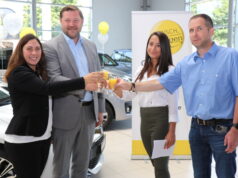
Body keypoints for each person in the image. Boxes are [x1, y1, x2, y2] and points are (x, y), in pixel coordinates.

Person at [116, 14, 238, 178]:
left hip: (222, 130)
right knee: (200, 174)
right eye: (191, 30)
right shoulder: (186, 64)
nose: (194, 34)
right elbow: (159, 83)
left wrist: (235, 128)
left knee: (225, 174)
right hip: (196, 129)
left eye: (199, 29)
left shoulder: (230, 56)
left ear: (211, 31)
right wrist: (129, 85)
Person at [3, 34, 103, 178]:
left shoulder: (37, 73)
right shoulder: (20, 73)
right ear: (20, 51)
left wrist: (49, 132)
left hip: (40, 137)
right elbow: (48, 88)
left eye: (38, 49)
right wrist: (83, 81)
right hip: (23, 140)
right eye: (29, 49)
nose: (34, 53)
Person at [43, 5, 105, 178]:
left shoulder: (91, 46)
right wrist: (84, 84)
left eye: (75, 20)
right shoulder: (51, 46)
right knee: (61, 165)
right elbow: (54, 79)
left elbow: (99, 80)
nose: (72, 24)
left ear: (82, 22)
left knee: (82, 164)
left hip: (89, 113)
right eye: (67, 20)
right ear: (60, 22)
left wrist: (101, 108)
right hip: (64, 113)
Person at [114, 31, 179, 178]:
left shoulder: (170, 71)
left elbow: (173, 102)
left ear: (164, 48)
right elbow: (128, 95)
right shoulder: (141, 70)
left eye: (158, 45)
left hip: (162, 120)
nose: (153, 48)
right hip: (145, 120)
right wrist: (116, 88)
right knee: (155, 163)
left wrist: (172, 130)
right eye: (151, 44)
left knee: (161, 165)